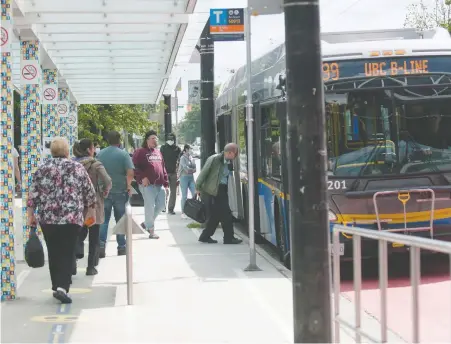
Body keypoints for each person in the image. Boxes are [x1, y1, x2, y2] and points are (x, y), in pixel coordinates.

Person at [27, 137, 96, 304]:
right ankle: (62, 288)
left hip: (48, 218)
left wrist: (31, 214)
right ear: (67, 151)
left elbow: (33, 195)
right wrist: (90, 211)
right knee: (67, 251)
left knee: (54, 251)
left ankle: (56, 285)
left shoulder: (42, 169)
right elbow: (89, 192)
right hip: (71, 218)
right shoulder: (77, 168)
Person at [73, 139, 112, 276]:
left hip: (77, 202)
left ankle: (73, 261)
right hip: (93, 202)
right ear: (90, 150)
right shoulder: (95, 164)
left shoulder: (73, 163)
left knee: (79, 231)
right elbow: (107, 180)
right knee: (94, 235)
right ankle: (91, 267)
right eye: (93, 147)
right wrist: (106, 190)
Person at [196, 143, 243, 244]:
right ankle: (228, 238)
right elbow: (203, 173)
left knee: (216, 215)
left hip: (222, 189)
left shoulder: (227, 161)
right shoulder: (215, 159)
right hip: (214, 190)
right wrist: (198, 187)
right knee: (226, 214)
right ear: (229, 153)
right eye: (235, 154)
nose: (236, 156)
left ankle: (205, 236)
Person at [97, 131, 135, 257]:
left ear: (108, 140)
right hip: (120, 191)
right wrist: (128, 185)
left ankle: (101, 246)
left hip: (104, 192)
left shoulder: (100, 154)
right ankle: (121, 247)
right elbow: (130, 172)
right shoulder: (124, 154)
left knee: (104, 220)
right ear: (119, 141)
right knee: (120, 220)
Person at [133, 130, 168, 239]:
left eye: (156, 138)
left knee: (162, 205)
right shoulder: (140, 152)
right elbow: (134, 167)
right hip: (147, 185)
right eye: (153, 138)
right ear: (147, 140)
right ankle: (151, 231)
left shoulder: (158, 152)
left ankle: (147, 224)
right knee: (150, 207)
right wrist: (142, 177)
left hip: (159, 184)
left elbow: (163, 168)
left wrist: (166, 183)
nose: (155, 140)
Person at [160, 132, 181, 215]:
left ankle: (171, 209)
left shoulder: (177, 149)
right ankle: (163, 207)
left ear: (174, 140)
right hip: (164, 172)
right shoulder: (163, 148)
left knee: (173, 192)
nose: (170, 140)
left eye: (172, 139)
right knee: (164, 191)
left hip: (173, 173)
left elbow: (179, 161)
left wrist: (178, 172)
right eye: (169, 139)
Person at [178, 144, 197, 219]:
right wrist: (191, 170)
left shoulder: (191, 157)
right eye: (189, 149)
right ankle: (183, 211)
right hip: (184, 178)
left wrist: (191, 170)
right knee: (184, 196)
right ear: (186, 149)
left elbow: (195, 168)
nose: (191, 150)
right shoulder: (183, 158)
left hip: (191, 178)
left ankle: (193, 210)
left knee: (194, 193)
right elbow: (186, 169)